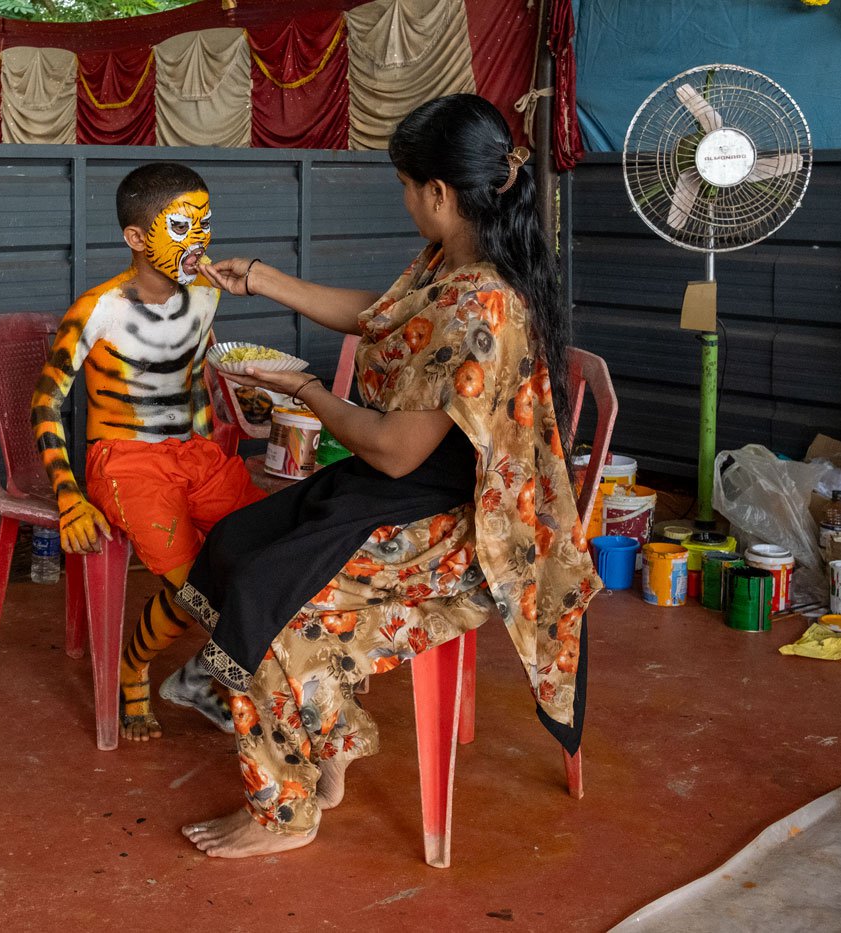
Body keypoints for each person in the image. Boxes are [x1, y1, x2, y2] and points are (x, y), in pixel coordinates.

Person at [176, 94, 602, 858]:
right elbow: (382, 316)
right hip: (401, 488)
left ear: (439, 193)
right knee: (238, 541)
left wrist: (301, 389)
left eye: (406, 187)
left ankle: (284, 809)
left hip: (454, 520)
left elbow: (392, 448)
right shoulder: (457, 262)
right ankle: (332, 729)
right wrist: (265, 280)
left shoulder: (484, 307)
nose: (405, 201)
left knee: (271, 598)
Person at [30, 163, 265, 742]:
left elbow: (195, 379)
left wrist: (224, 430)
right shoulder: (97, 309)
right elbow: (44, 405)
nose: (199, 242)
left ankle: (208, 675)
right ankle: (133, 670)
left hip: (193, 454)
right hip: (124, 459)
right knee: (199, 588)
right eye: (182, 227)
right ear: (136, 238)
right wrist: (70, 501)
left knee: (272, 550)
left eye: (204, 225)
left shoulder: (208, 295)